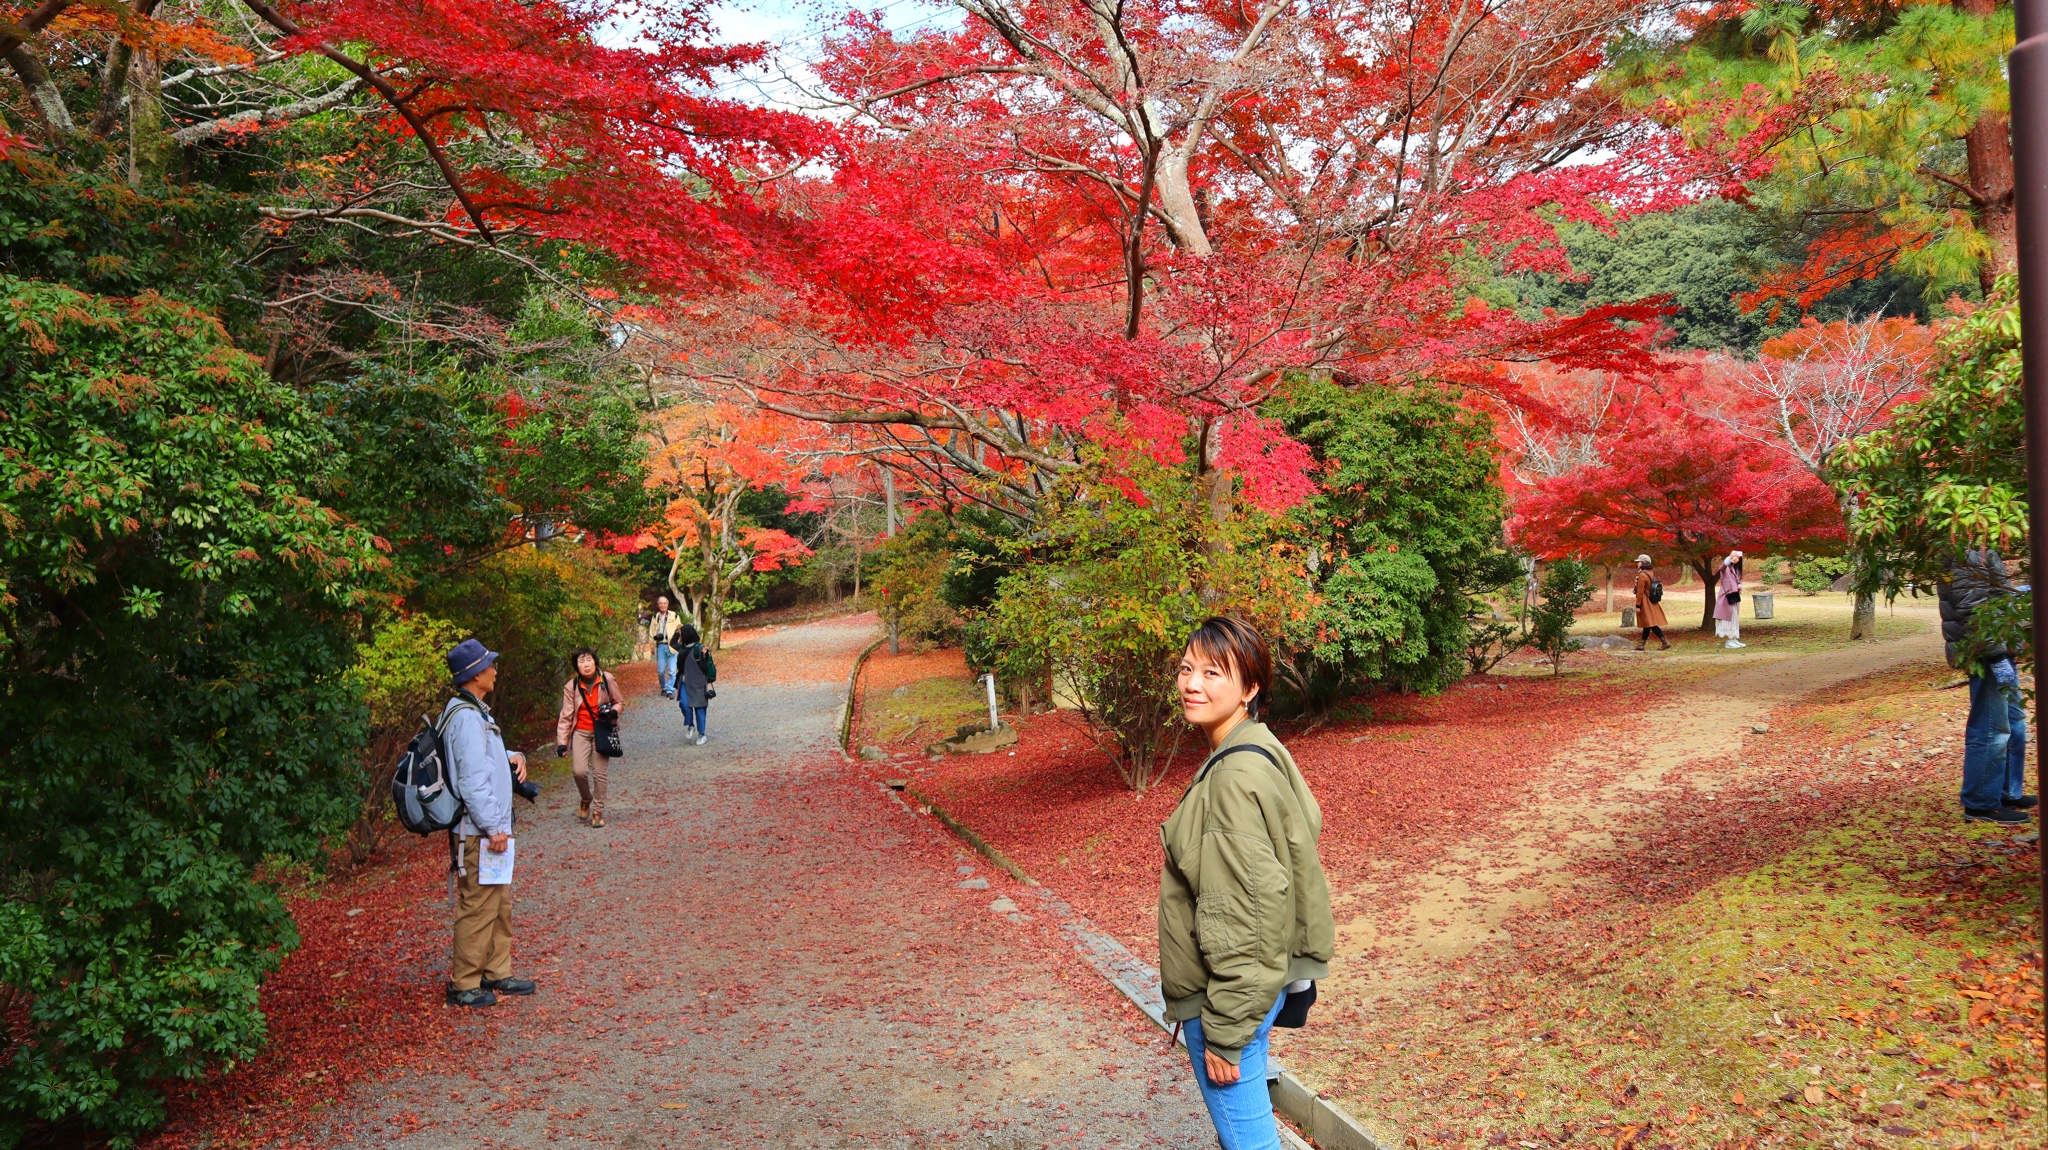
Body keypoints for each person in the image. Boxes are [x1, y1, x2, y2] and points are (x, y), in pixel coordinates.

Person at [1158, 617, 1334, 1150]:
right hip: (1258, 987)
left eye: (1214, 672)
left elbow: (1246, 918)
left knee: (1250, 1140)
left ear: (1250, 688)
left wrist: (1226, 1033)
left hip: (1229, 999)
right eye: (1188, 668)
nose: (1193, 684)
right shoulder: (1258, 748)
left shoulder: (1234, 778)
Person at [441, 638, 537, 1008]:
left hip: (487, 829)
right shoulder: (465, 717)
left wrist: (513, 754)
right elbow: (471, 780)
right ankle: (463, 983)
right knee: (478, 906)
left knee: (499, 904)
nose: (496, 670)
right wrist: (494, 827)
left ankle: (496, 972)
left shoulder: (475, 711)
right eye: (491, 665)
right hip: (478, 831)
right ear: (475, 674)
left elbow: (484, 759)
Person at [1938, 548, 2037, 825]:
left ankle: (2006, 792)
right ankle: (1980, 803)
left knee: (2014, 721)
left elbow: (1993, 597)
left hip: (2000, 648)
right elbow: (1972, 609)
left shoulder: (1980, 547)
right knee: (1991, 726)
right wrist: (1995, 654)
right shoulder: (1966, 551)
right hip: (1987, 652)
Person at [555, 648, 625, 829]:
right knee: (579, 772)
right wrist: (562, 743)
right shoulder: (572, 686)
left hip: (602, 731)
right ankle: (586, 798)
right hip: (581, 732)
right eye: (581, 661)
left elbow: (619, 702)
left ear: (595, 662)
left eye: (589, 660)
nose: (586, 665)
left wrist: (613, 712)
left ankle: (597, 812)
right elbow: (566, 715)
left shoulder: (607, 679)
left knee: (600, 773)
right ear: (576, 666)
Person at [672, 623, 716, 746]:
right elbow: (672, 643)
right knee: (684, 704)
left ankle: (702, 734)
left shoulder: (699, 648)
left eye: (681, 635)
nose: (680, 637)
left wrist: (705, 654)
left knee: (700, 708)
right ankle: (690, 724)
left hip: (697, 682)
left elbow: (705, 663)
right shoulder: (682, 648)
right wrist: (677, 631)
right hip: (684, 682)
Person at [1631, 554, 1669, 651]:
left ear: (1643, 563)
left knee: (1650, 623)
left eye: (1639, 562)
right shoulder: (1650, 572)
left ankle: (1665, 642)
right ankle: (1641, 644)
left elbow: (1640, 592)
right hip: (1651, 600)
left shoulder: (1642, 575)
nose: (1637, 564)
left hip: (1645, 601)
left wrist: (1638, 605)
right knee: (1647, 623)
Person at [648, 596, 682, 698]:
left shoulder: (674, 616)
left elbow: (680, 631)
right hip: (661, 646)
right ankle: (664, 687)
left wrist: (680, 641)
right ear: (658, 605)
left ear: (667, 604)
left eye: (664, 603)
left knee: (672, 670)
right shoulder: (655, 617)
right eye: (661, 603)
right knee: (661, 671)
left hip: (672, 646)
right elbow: (651, 632)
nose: (663, 605)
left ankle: (670, 690)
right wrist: (652, 646)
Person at [1713, 550, 1746, 649]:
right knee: (1727, 618)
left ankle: (1733, 638)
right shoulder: (1726, 568)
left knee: (1734, 617)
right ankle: (1729, 641)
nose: (1736, 559)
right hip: (1726, 597)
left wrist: (1739, 585)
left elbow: (1737, 581)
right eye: (1735, 557)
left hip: (1734, 596)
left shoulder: (1735, 570)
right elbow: (1721, 567)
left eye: (1738, 558)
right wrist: (1729, 557)